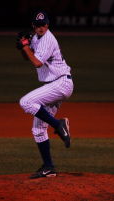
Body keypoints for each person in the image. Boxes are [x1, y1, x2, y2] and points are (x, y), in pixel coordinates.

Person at [16, 11, 74, 179]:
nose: (41, 28)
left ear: (48, 25)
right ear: (34, 26)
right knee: (38, 129)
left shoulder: (48, 39)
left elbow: (37, 62)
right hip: (55, 85)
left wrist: (26, 46)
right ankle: (49, 167)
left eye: (44, 24)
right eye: (38, 25)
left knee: (26, 102)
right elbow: (29, 57)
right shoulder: (36, 38)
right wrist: (23, 47)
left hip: (61, 83)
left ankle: (59, 124)